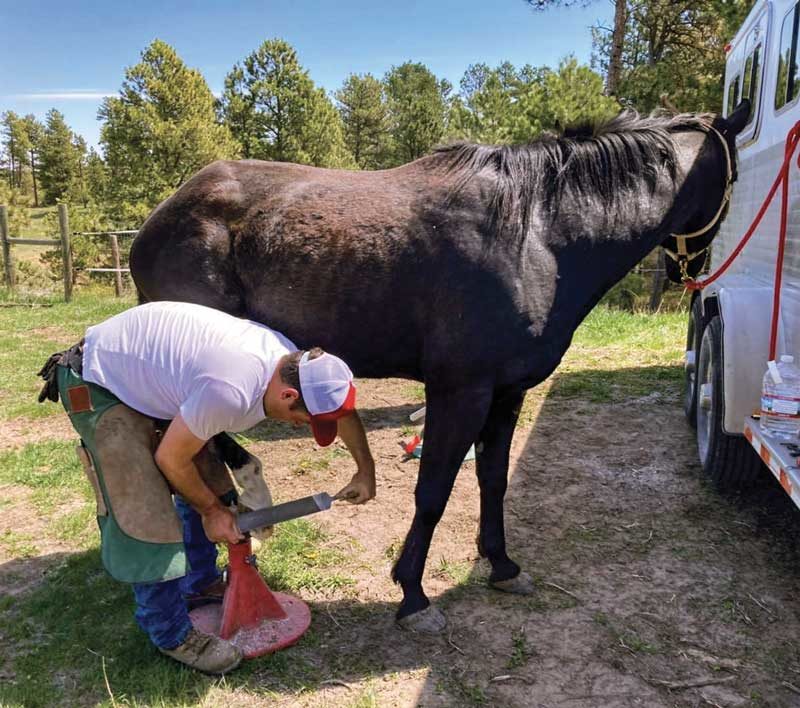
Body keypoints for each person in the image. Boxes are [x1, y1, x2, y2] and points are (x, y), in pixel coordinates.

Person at [37, 301, 376, 674]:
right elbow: (171, 459)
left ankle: (199, 583)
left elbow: (339, 409)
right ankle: (169, 633)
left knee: (212, 485)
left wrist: (365, 468)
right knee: (145, 508)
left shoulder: (292, 364)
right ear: (288, 396)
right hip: (98, 380)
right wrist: (210, 512)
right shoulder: (230, 389)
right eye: (304, 420)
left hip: (153, 377)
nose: (303, 428)